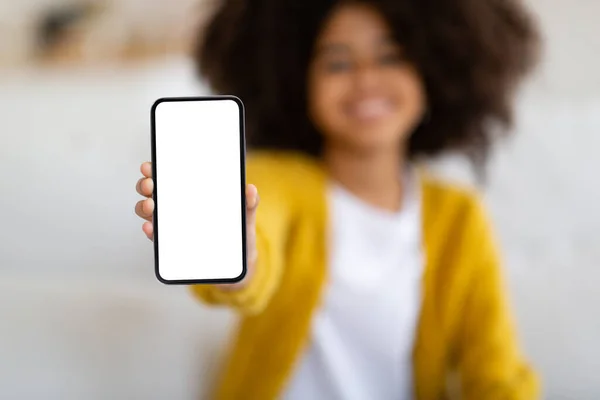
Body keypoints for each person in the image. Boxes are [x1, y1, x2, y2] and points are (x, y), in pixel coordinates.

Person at [135, 0, 541, 398]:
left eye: (390, 57)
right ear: (298, 80)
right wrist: (238, 264)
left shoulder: (459, 217)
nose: (366, 80)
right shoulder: (277, 182)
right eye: (338, 63)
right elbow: (257, 250)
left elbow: (495, 371)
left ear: (433, 72)